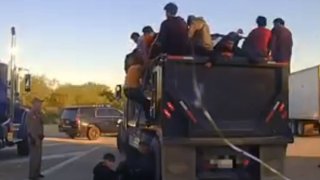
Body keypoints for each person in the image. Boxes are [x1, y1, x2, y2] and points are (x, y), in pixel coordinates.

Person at [124, 52, 152, 122]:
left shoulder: (131, 68)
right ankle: (149, 119)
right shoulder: (139, 68)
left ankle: (137, 117)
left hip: (126, 90)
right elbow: (147, 69)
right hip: (132, 90)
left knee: (140, 101)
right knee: (147, 103)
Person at [26, 97, 45, 180]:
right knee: (34, 157)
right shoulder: (30, 114)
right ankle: (32, 175)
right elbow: (29, 127)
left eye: (41, 104)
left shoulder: (39, 113)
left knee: (39, 157)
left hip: (39, 137)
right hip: (33, 138)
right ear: (34, 104)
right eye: (39, 103)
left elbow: (42, 122)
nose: (40, 105)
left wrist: (41, 134)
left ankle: (37, 173)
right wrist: (31, 137)